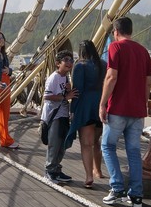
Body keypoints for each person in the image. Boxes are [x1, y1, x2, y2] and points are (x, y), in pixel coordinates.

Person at [99, 16, 151, 207]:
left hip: (118, 109)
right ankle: (136, 195)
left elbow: (111, 77)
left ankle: (116, 188)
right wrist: (143, 103)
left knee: (107, 146)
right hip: (138, 110)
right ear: (131, 30)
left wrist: (102, 103)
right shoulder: (143, 51)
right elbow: (148, 82)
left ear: (115, 32)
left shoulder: (116, 48)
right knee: (133, 152)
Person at [66, 39, 106, 187]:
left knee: (86, 143)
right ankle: (98, 170)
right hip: (100, 105)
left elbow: (77, 91)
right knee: (96, 142)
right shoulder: (103, 64)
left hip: (85, 106)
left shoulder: (80, 66)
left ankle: (89, 176)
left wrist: (73, 110)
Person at [42, 50, 77, 184]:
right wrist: (65, 97)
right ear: (58, 63)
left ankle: (56, 169)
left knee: (62, 145)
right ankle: (49, 170)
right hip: (54, 115)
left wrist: (68, 90)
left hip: (63, 114)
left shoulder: (66, 77)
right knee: (54, 143)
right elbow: (47, 96)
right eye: (66, 60)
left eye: (71, 60)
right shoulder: (54, 78)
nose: (70, 62)